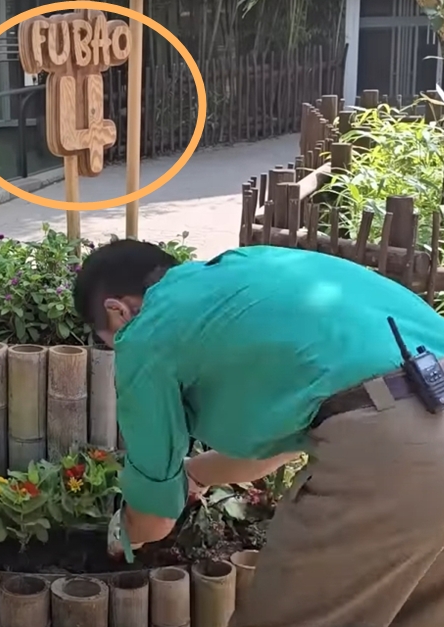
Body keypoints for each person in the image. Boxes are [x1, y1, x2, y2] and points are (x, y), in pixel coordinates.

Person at [73, 240, 444, 627]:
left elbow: (155, 520)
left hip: (392, 455)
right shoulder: (253, 269)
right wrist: (195, 474)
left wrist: (123, 532)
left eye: (109, 341)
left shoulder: (146, 330)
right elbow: (287, 441)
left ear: (117, 311)